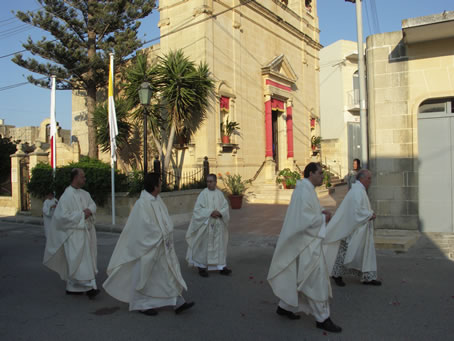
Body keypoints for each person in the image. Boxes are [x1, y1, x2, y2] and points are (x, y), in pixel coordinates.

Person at [103, 173, 194, 316]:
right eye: (160, 181)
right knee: (147, 279)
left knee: (167, 274)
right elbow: (143, 227)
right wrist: (160, 234)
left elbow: (165, 219)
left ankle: (177, 302)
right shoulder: (142, 204)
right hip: (148, 249)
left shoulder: (158, 200)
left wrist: (167, 231)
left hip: (162, 247)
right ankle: (142, 304)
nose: (161, 184)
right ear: (154, 185)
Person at [267, 162, 342, 333]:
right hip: (306, 244)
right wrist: (322, 219)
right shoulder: (303, 190)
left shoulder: (306, 189)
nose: (322, 176)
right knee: (314, 280)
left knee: (300, 276)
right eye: (320, 173)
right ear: (310, 174)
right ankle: (322, 318)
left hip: (305, 241)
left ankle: (284, 307)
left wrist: (321, 212)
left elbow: (310, 211)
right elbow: (304, 220)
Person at [43, 168, 99, 299]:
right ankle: (90, 288)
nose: (84, 179)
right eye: (82, 177)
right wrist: (81, 215)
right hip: (74, 234)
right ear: (75, 178)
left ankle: (73, 288)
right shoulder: (66, 196)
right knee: (79, 262)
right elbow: (62, 217)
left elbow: (93, 205)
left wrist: (89, 211)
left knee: (86, 261)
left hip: (87, 232)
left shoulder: (85, 194)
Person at [328, 169, 381, 287]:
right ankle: (337, 275)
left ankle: (367, 276)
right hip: (352, 228)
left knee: (365, 251)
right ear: (362, 179)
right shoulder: (357, 191)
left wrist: (368, 215)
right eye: (369, 178)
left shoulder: (359, 190)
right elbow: (356, 211)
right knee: (344, 251)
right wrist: (369, 215)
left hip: (361, 227)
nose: (370, 181)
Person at [186, 173, 231, 277]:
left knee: (219, 246)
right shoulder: (203, 194)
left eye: (211, 181)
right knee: (204, 247)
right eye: (207, 181)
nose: (209, 183)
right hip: (206, 225)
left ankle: (221, 267)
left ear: (215, 182)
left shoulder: (220, 194)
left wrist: (220, 213)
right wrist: (210, 212)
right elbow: (197, 210)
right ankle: (201, 267)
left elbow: (225, 207)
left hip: (218, 225)